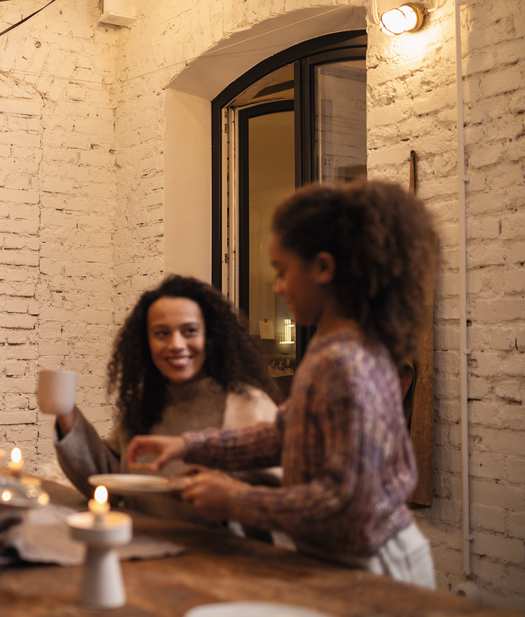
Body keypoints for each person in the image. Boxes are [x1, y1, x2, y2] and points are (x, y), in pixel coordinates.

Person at [127, 181, 439, 588]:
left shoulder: (344, 364)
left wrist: (233, 500)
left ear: (323, 269)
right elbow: (283, 433)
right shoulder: (335, 349)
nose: (276, 286)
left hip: (376, 566)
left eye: (281, 271)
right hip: (342, 558)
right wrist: (188, 445)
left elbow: (346, 504)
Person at [54, 275, 279, 520]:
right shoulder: (146, 402)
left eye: (190, 331)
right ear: (146, 342)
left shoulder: (247, 403)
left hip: (215, 554)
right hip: (143, 546)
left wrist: (224, 492)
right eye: (162, 333)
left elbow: (276, 501)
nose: (176, 344)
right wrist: (66, 413)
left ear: (211, 336)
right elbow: (107, 479)